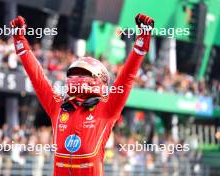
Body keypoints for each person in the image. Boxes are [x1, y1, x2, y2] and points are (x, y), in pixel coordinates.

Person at [11, 14, 154, 176]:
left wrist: (140, 44)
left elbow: (126, 78)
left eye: (84, 73)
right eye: (74, 73)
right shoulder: (58, 108)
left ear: (100, 79)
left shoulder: (107, 108)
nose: (77, 77)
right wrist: (21, 43)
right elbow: (37, 78)